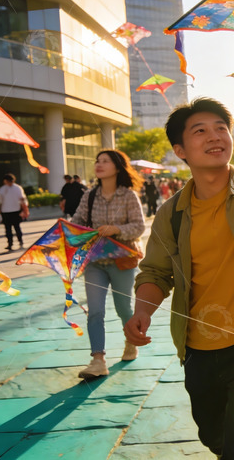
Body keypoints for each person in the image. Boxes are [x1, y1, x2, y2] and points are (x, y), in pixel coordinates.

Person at [124, 97, 234, 458]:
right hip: (198, 351)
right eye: (200, 131)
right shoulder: (171, 213)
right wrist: (142, 310)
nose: (215, 136)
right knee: (215, 438)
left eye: (221, 128)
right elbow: (156, 271)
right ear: (180, 150)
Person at [70, 149, 145, 380]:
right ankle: (98, 360)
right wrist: (74, 229)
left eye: (105, 161)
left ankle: (131, 342)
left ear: (117, 167)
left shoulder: (128, 196)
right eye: (97, 161)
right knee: (95, 311)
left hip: (122, 262)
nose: (99, 165)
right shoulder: (89, 196)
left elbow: (139, 226)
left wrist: (117, 230)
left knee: (124, 308)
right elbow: (77, 223)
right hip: (94, 262)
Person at [0, 173, 27, 251]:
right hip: (11, 211)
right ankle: (15, 242)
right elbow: (23, 200)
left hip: (9, 211)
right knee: (13, 228)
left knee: (12, 228)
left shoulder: (3, 189)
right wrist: (25, 209)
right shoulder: (17, 188)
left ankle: (13, 243)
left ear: (5, 181)